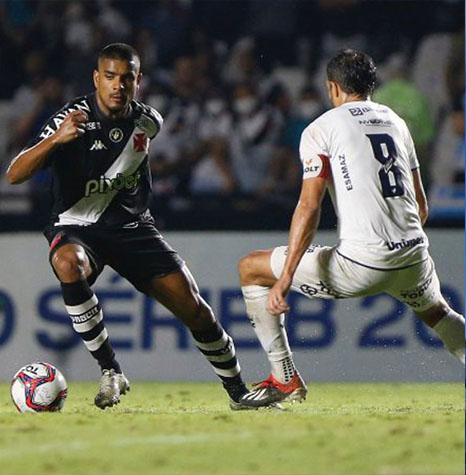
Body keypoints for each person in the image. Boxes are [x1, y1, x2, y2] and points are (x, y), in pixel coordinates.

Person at [7, 43, 250, 410]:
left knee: (195, 309)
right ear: (96, 78)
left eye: (126, 78)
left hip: (133, 228)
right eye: (109, 77)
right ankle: (110, 369)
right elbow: (14, 174)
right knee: (68, 263)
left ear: (138, 81)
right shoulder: (70, 119)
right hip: (78, 225)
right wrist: (57, 140)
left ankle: (239, 393)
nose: (117, 85)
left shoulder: (148, 121)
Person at [236, 49, 465, 408]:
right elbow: (421, 206)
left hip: (362, 263)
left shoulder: (322, 128)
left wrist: (285, 279)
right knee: (438, 314)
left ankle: (285, 379)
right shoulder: (395, 121)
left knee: (251, 268)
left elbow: (309, 206)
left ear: (332, 87)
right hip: (413, 255)